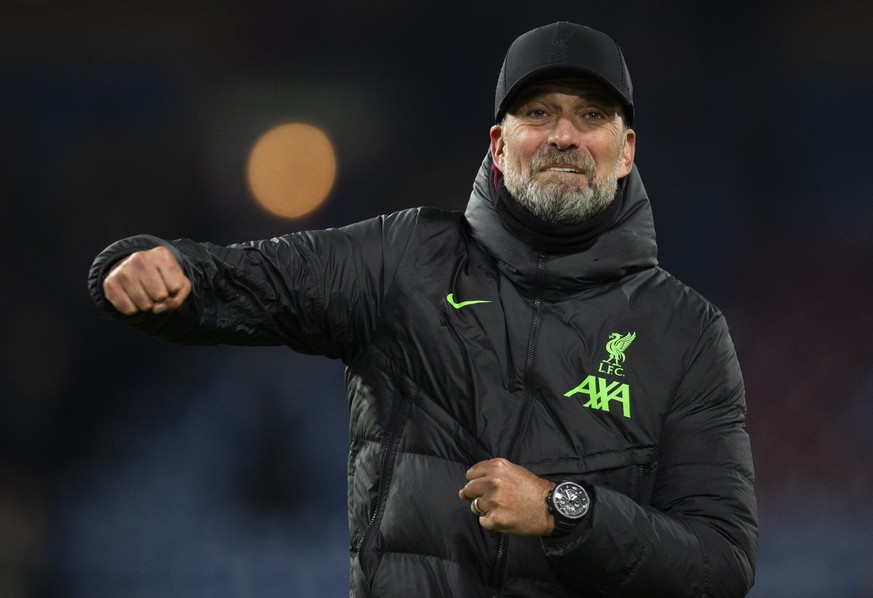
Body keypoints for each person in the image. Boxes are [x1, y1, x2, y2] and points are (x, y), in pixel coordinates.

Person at [88, 21, 757, 597]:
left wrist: (564, 510)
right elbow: (249, 280)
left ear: (625, 152)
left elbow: (720, 565)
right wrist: (151, 265)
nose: (563, 135)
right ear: (497, 146)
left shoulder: (687, 331)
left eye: (590, 115)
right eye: (537, 114)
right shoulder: (406, 258)